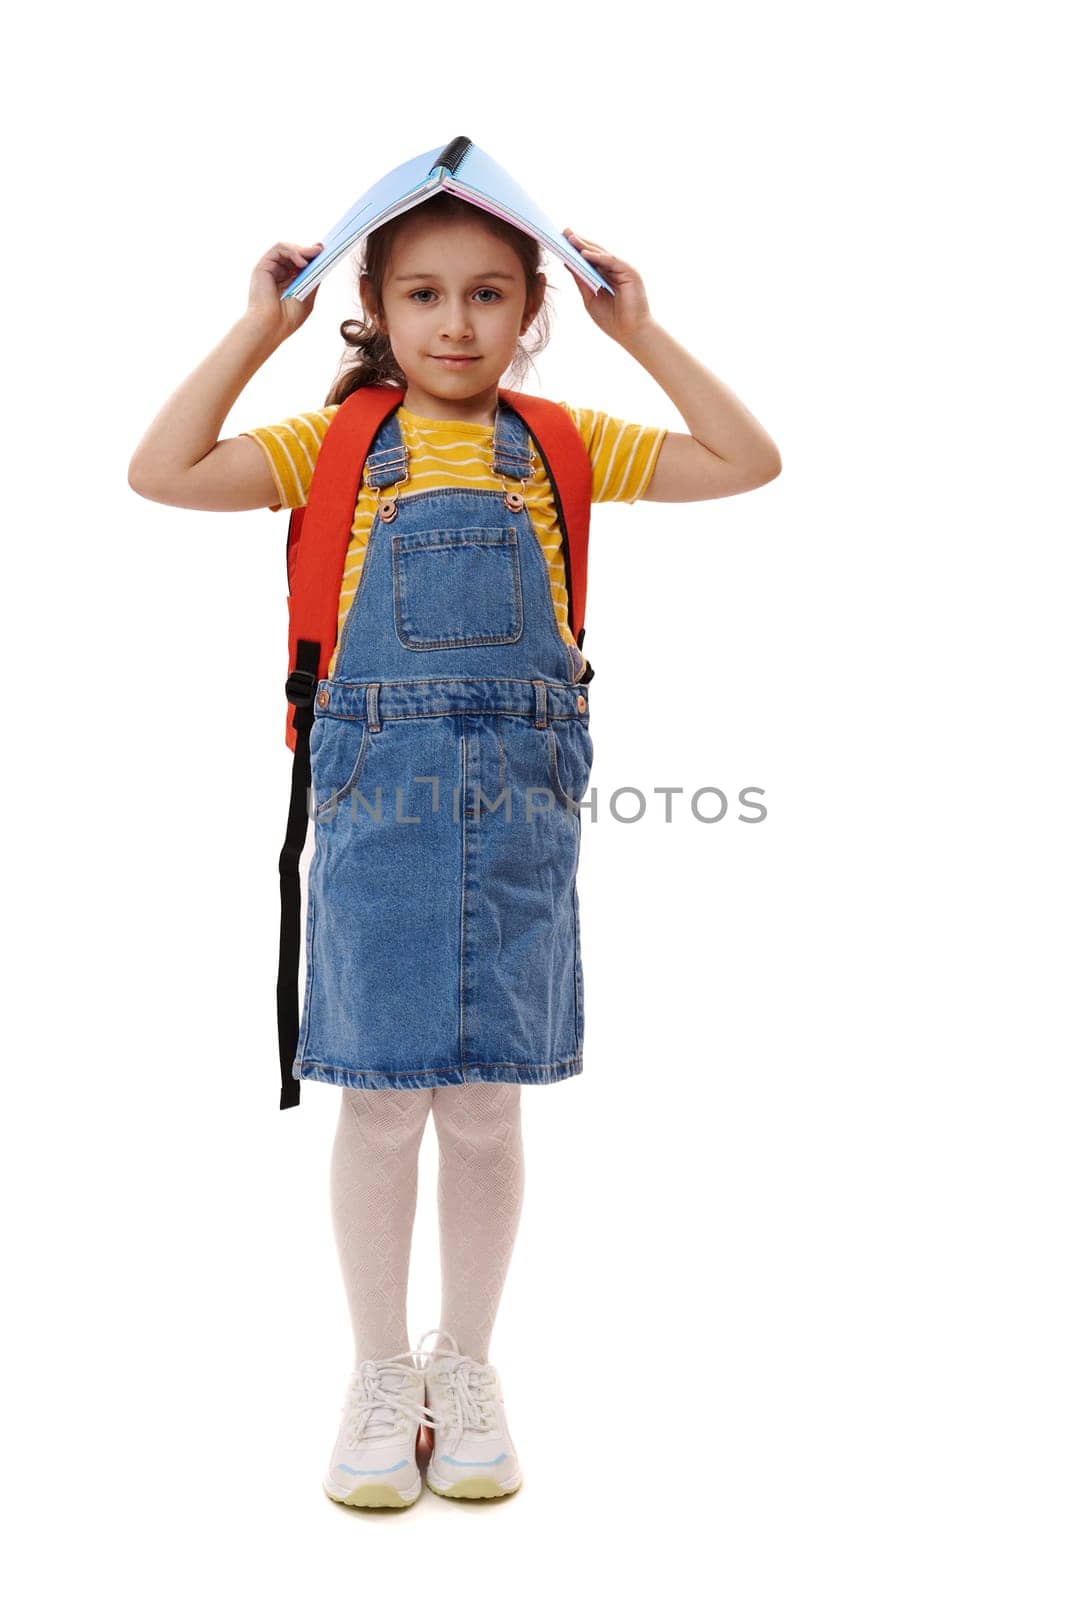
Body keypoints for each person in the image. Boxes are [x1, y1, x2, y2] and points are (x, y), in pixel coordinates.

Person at [127, 190, 781, 1509]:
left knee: (485, 1100)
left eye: (489, 292)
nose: (457, 321)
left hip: (521, 796)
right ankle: (376, 1374)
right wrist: (258, 330)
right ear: (376, 309)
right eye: (423, 293)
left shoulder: (563, 445)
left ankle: (466, 1368)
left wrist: (639, 331)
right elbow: (162, 472)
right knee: (380, 1097)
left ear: (533, 310)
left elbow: (745, 457)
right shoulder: (332, 445)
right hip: (375, 792)